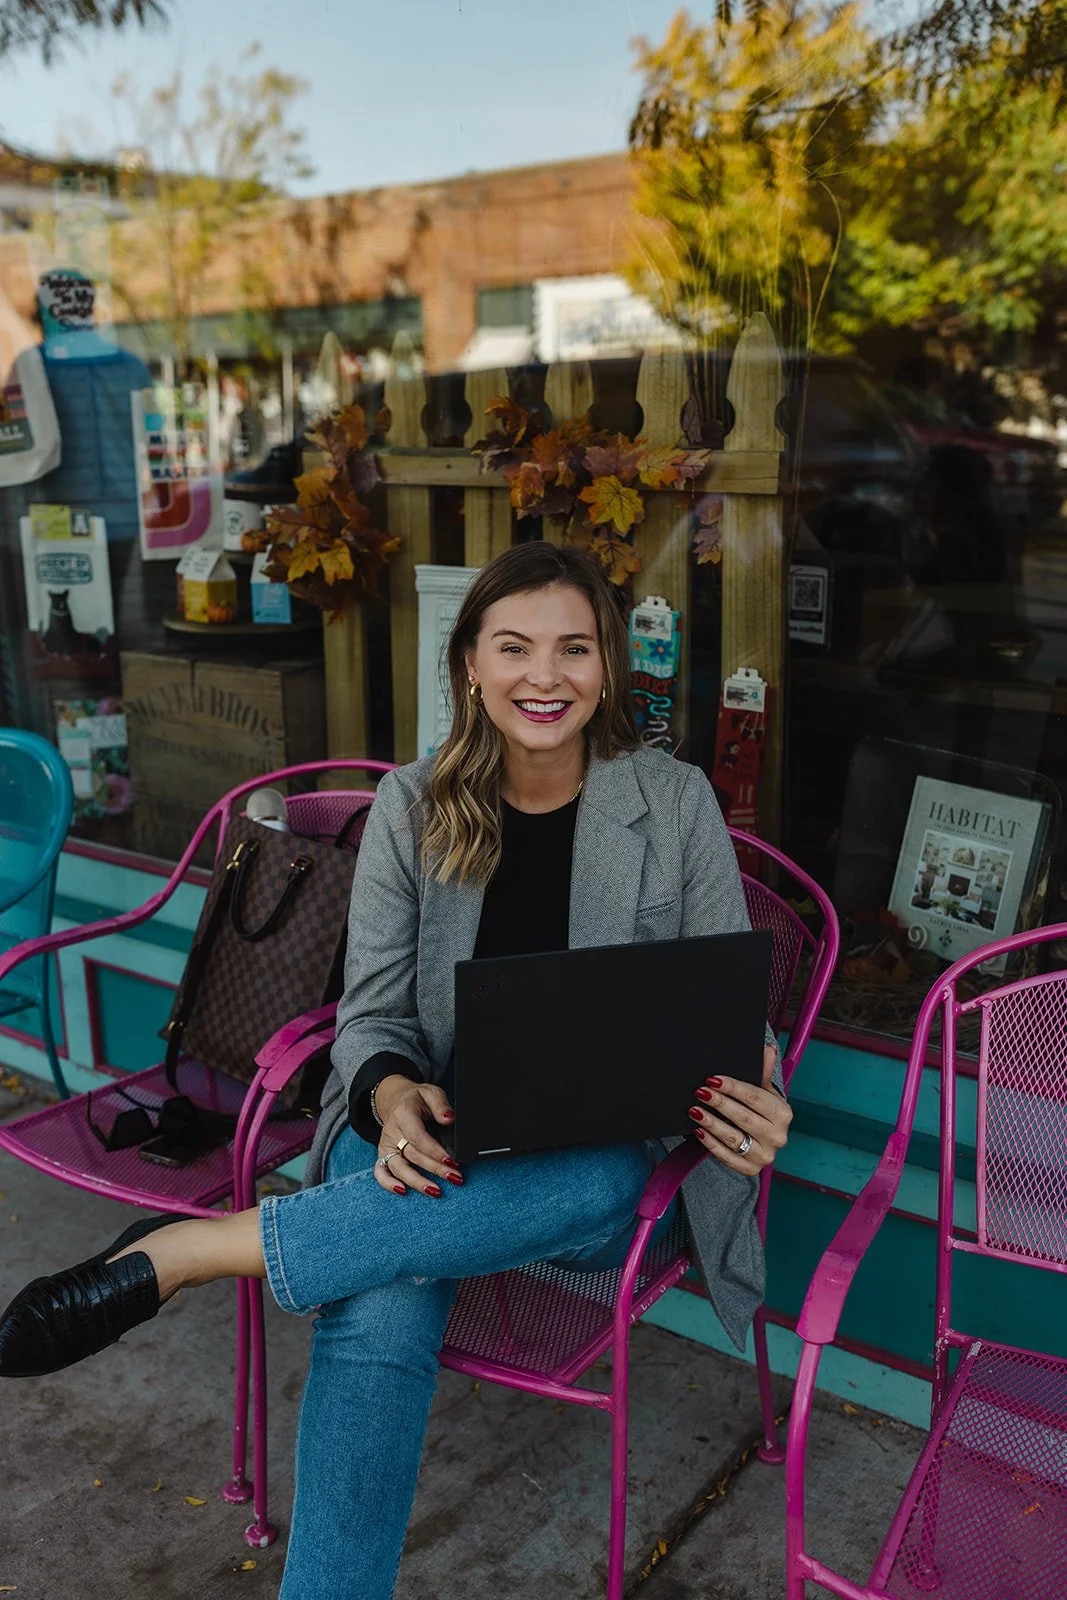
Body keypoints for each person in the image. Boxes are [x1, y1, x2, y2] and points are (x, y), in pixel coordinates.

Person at [0, 541, 793, 1598]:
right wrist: (387, 1092)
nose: (543, 677)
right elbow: (370, 1013)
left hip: (586, 1168)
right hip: (432, 1132)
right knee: (380, 1294)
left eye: (572, 648)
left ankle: (190, 1252)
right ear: (469, 661)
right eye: (513, 647)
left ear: (606, 665)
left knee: (600, 1176)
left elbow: (722, 1012)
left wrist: (759, 1093)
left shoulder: (673, 800)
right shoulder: (415, 808)